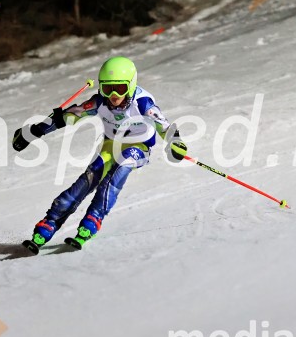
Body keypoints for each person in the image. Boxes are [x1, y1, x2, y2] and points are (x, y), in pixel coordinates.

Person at [12, 56, 188, 254]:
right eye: (107, 88)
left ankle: (92, 220)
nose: (113, 95)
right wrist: (33, 132)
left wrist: (175, 142)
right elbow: (68, 116)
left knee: (119, 169)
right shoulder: (99, 102)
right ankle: (50, 223)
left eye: (120, 89)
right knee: (89, 178)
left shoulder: (143, 103)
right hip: (111, 145)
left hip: (139, 146)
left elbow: (164, 125)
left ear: (130, 85)